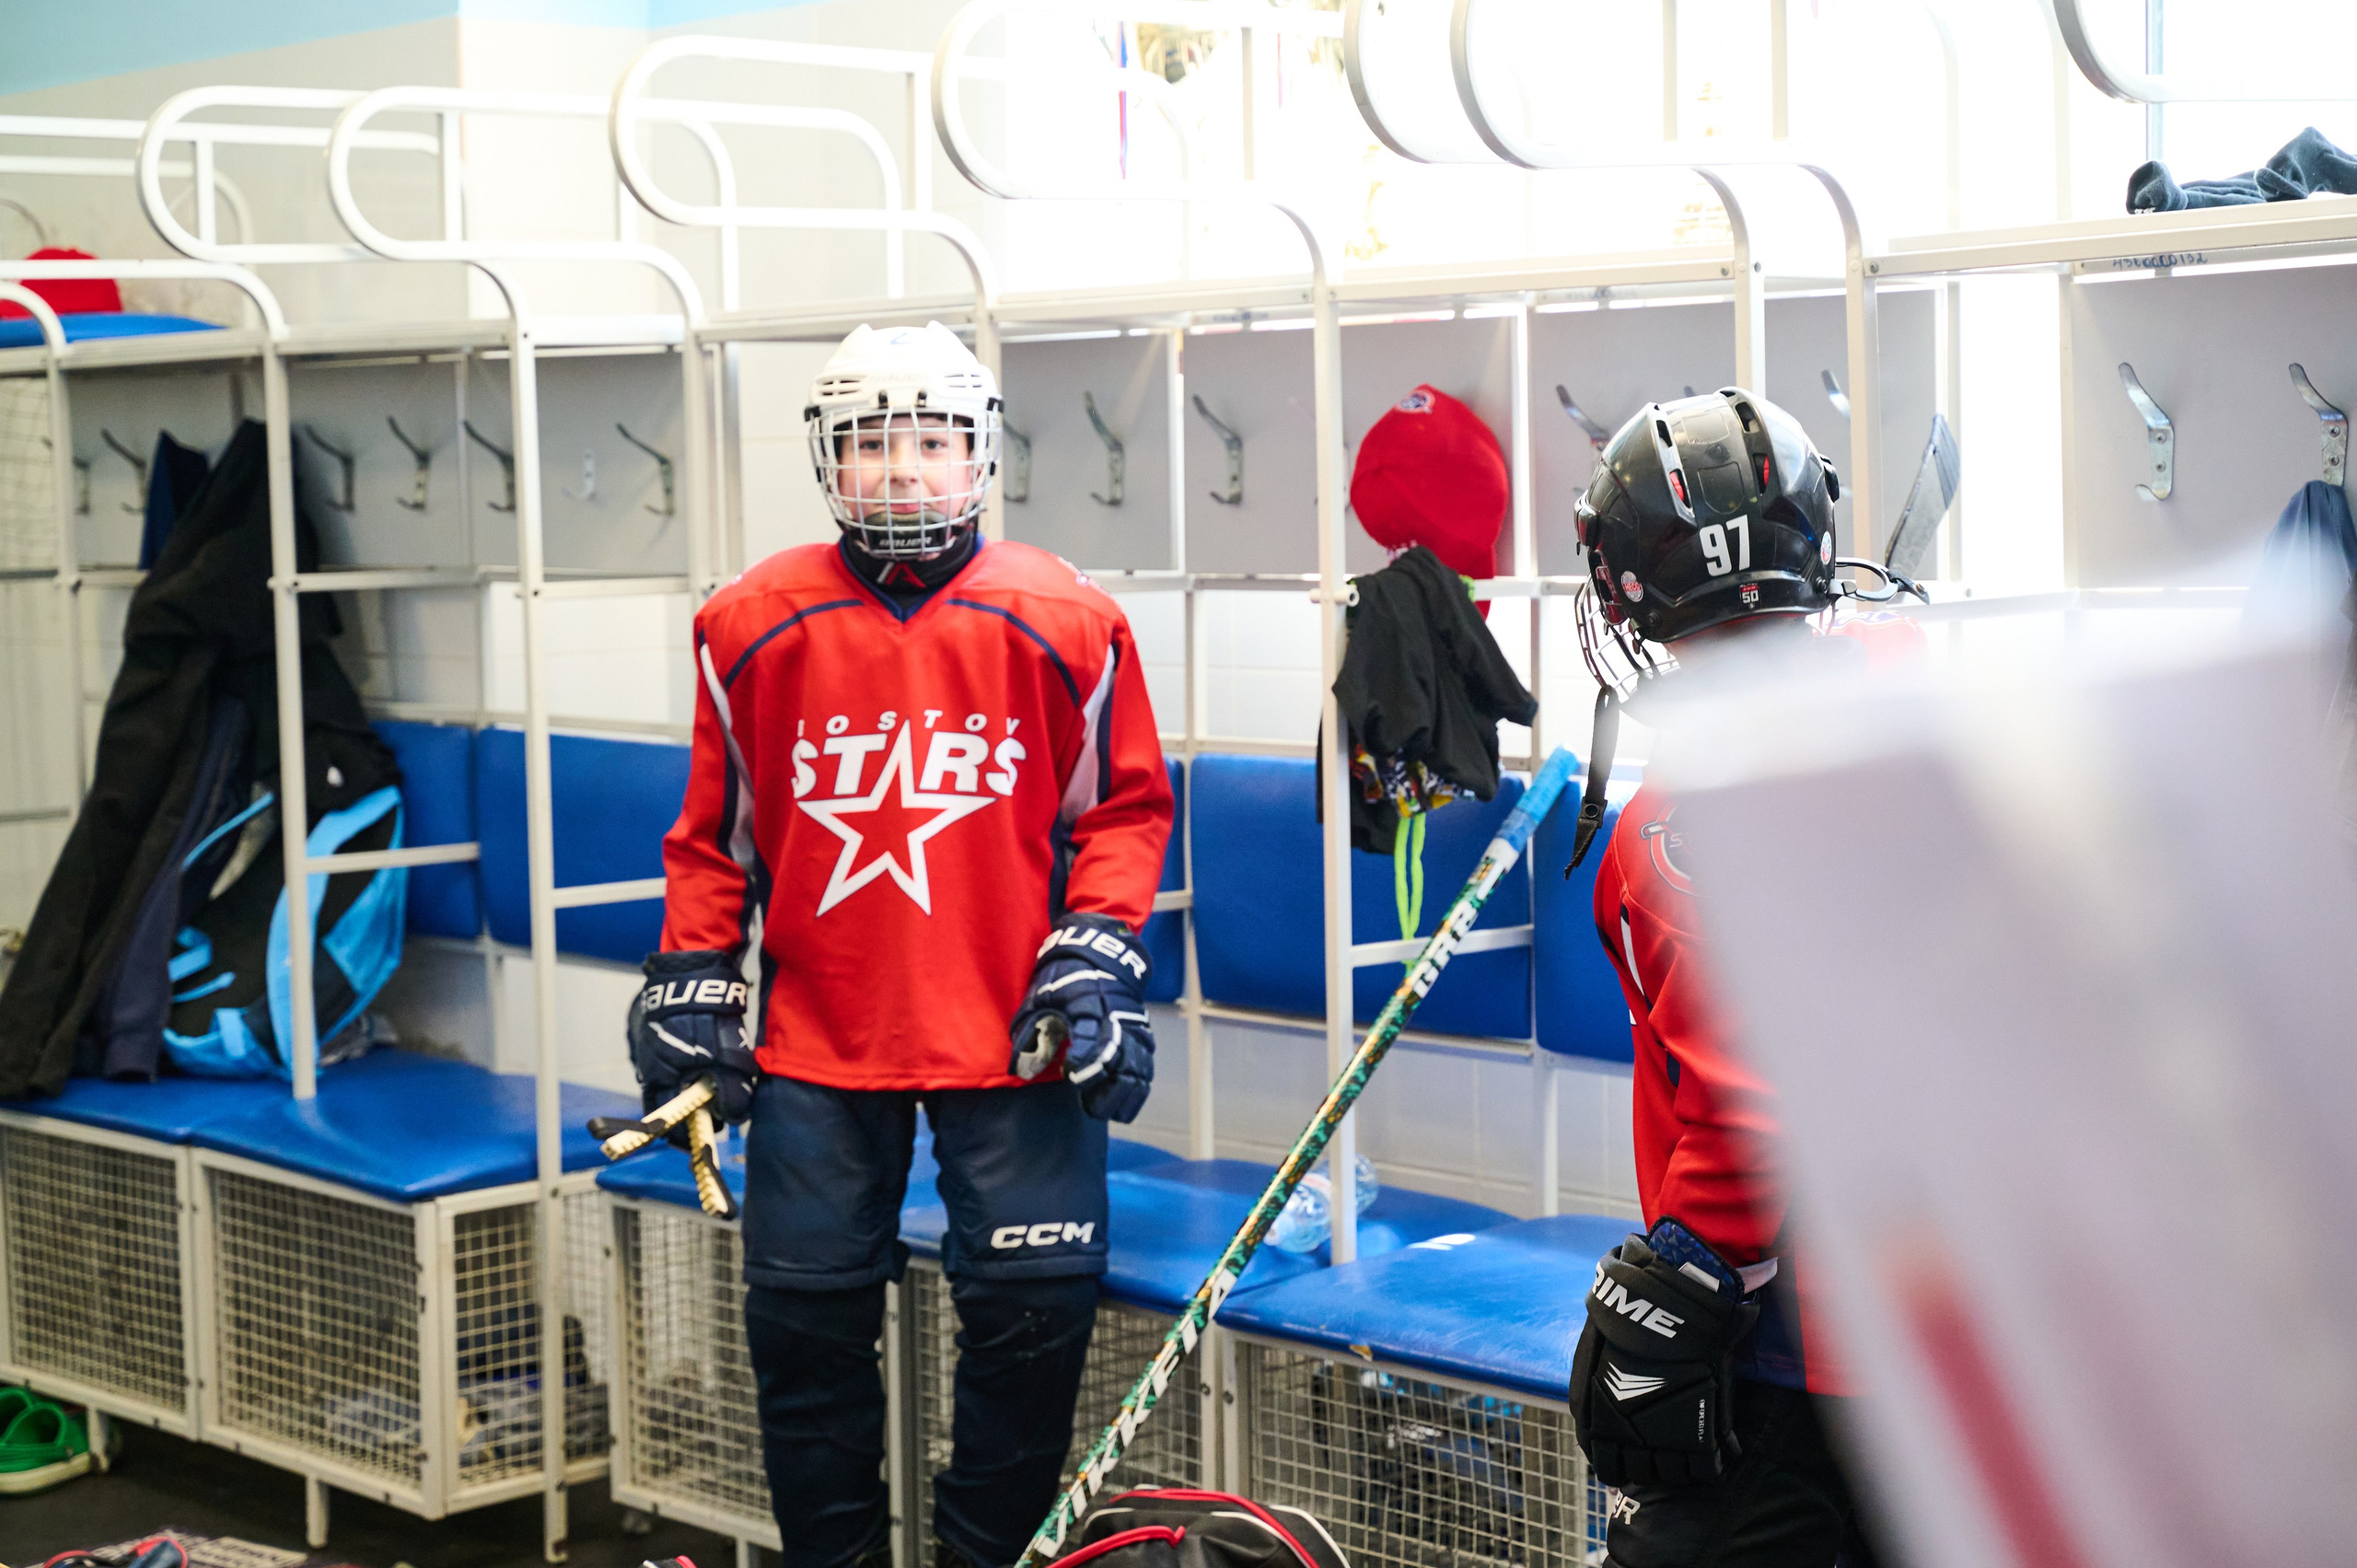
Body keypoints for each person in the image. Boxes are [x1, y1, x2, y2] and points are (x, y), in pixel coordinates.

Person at [638, 321, 1175, 1568]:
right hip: (821, 1034)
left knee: (1034, 1320)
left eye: (931, 441)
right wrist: (691, 977)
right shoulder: (748, 622)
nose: (903, 471)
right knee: (803, 1325)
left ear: (978, 451)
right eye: (875, 443)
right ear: (831, 455)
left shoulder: (1067, 618)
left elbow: (1125, 810)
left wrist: (1097, 948)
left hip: (1013, 1031)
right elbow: (713, 833)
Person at [1560, 389, 1915, 1568]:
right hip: (1985, 1315)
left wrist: (1692, 1278)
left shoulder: (1678, 822)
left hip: (1806, 1343)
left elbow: (1752, 1100)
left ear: (1630, 594)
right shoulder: (1925, 698)